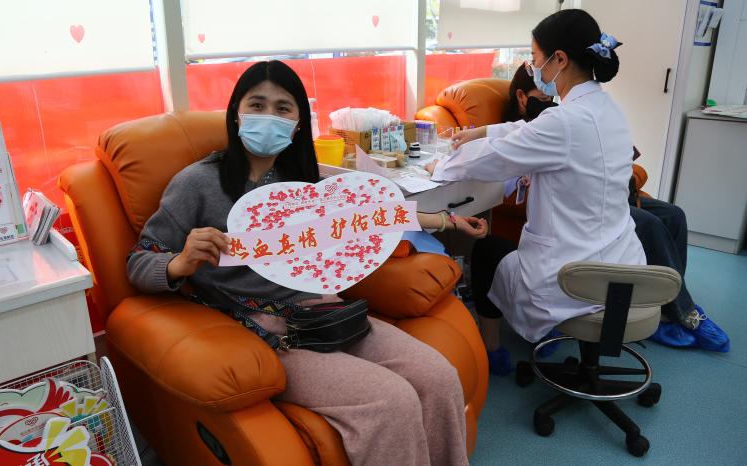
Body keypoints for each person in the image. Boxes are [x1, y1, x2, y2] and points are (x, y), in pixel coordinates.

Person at [126, 60, 487, 466]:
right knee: (391, 400)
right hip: (264, 331)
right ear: (236, 113)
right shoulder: (196, 182)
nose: (268, 117)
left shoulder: (304, 184)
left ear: (298, 124)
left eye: (283, 108)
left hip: (330, 312)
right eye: (257, 105)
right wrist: (180, 263)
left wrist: (449, 220)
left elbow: (374, 216)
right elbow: (140, 261)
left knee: (439, 376)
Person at [426, 9, 647, 375]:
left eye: (534, 57)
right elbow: (530, 131)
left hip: (572, 277)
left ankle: (492, 354)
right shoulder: (607, 108)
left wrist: (442, 166)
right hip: (621, 266)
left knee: (487, 251)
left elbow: (498, 157)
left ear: (559, 59)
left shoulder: (565, 121)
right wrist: (481, 131)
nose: (533, 68)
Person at [497, 66, 730, 357]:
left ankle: (665, 303)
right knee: (649, 224)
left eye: (550, 96)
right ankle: (685, 312)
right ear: (521, 96)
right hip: (584, 205)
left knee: (674, 215)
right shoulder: (518, 129)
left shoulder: (570, 115)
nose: (548, 102)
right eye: (541, 97)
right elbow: (510, 175)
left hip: (607, 190)